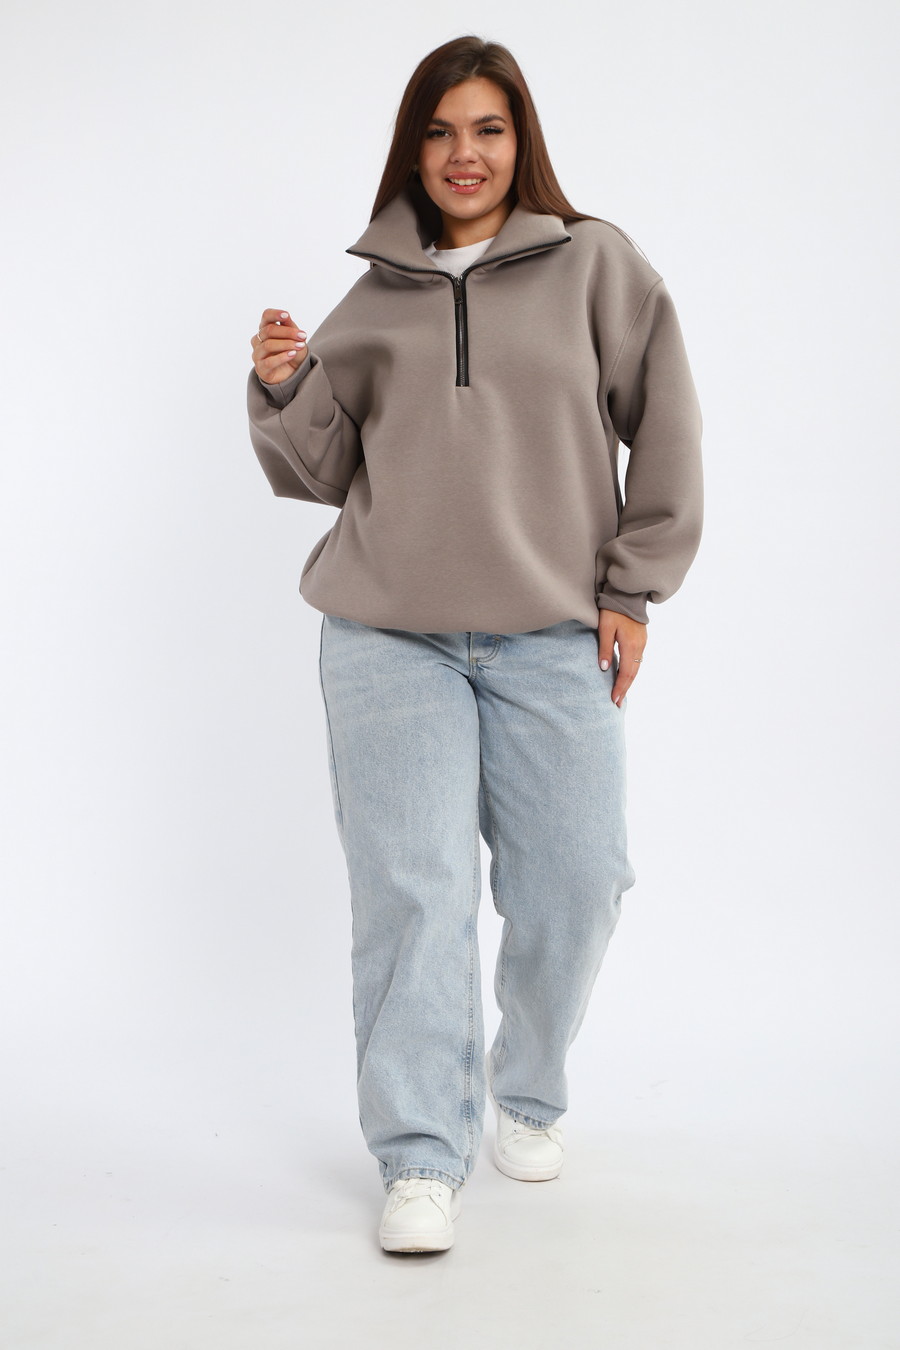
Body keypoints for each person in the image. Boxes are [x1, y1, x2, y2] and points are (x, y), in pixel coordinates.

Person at [246, 34, 703, 1255]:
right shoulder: (376, 293)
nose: (465, 154)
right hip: (387, 635)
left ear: (520, 141)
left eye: (488, 129)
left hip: (552, 631)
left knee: (582, 876)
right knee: (415, 894)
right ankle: (418, 1154)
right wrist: (288, 386)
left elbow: (664, 422)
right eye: (441, 131)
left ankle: (527, 1089)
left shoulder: (597, 264)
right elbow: (326, 471)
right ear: (413, 149)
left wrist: (633, 587)